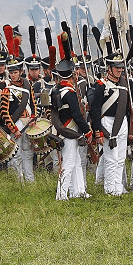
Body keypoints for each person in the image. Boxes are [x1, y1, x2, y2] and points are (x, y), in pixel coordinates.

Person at [51, 49, 93, 200]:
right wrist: (87, 131)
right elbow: (77, 115)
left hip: (63, 129)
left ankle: (79, 191)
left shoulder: (57, 90)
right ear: (73, 74)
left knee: (75, 162)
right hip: (69, 130)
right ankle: (61, 195)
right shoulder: (70, 93)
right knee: (68, 164)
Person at [89, 50, 131, 196]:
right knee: (111, 158)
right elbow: (94, 110)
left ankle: (118, 186)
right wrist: (98, 131)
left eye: (121, 67)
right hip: (107, 122)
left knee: (121, 158)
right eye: (116, 66)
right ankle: (110, 188)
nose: (119, 69)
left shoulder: (124, 84)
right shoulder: (101, 85)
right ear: (109, 68)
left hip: (122, 123)